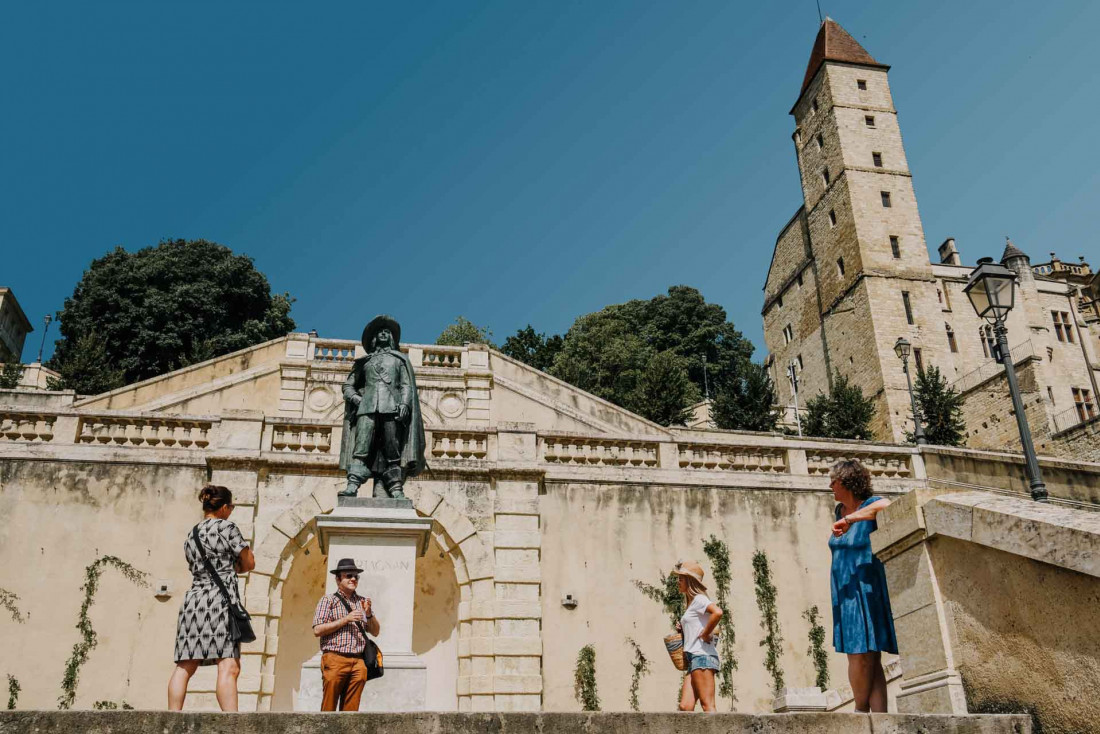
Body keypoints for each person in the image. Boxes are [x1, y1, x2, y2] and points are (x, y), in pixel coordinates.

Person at [168, 485, 255, 711]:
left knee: (185, 665)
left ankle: (172, 719)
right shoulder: (227, 528)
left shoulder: (192, 534)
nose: (231, 511)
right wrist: (233, 565)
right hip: (220, 601)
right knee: (228, 665)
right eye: (231, 507)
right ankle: (231, 724)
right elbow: (249, 563)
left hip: (193, 601)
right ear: (224, 507)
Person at [829, 459, 898, 713]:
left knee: (861, 653)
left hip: (866, 588)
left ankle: (859, 713)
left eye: (833, 481)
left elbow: (886, 505)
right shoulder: (838, 511)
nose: (830, 486)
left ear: (847, 482)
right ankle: (879, 720)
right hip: (844, 591)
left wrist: (852, 520)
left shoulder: (869, 506)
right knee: (870, 657)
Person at [338, 315, 426, 498]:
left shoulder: (399, 360)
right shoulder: (365, 362)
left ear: (392, 338)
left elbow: (406, 385)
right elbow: (348, 385)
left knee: (392, 450)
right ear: (374, 338)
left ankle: (395, 488)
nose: (384, 334)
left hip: (391, 409)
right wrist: (356, 399)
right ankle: (353, 484)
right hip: (367, 408)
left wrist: (405, 404)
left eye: (387, 332)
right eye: (380, 332)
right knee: (361, 448)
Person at [312, 558, 382, 711]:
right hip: (335, 658)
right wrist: (346, 619)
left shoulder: (362, 601)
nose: (353, 579)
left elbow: (375, 631)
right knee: (328, 708)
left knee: (351, 712)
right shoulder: (328, 600)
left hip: (358, 661)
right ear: (338, 579)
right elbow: (317, 630)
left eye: (356, 576)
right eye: (349, 575)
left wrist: (369, 614)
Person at [674, 560, 724, 713]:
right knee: (685, 707)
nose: (678, 582)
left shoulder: (699, 600)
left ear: (690, 581)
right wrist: (683, 628)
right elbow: (696, 624)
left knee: (707, 706)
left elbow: (718, 612)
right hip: (693, 658)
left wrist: (705, 633)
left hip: (702, 656)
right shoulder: (691, 604)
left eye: (681, 579)